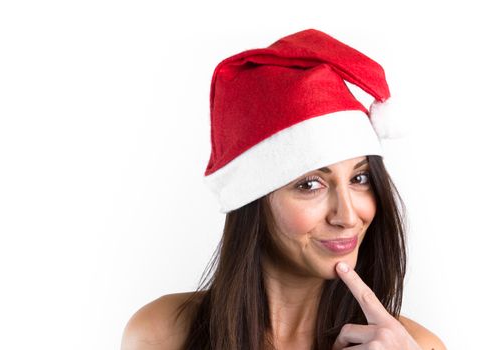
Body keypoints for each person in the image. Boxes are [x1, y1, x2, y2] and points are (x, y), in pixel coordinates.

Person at [121, 29, 446, 349]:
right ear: (254, 199)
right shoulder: (160, 335)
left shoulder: (415, 345)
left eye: (359, 179)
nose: (347, 217)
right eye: (310, 184)